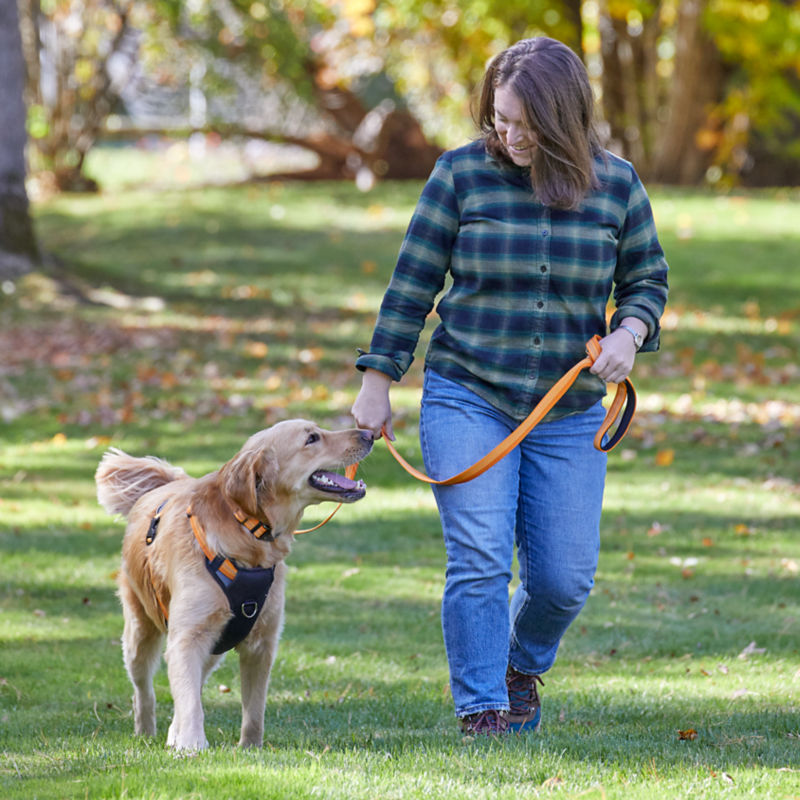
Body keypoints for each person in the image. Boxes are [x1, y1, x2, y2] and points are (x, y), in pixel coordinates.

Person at [351, 37, 668, 736]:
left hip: (568, 411)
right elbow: (412, 284)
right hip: (468, 392)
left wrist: (629, 333)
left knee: (563, 580)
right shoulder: (461, 175)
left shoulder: (616, 185)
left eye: (528, 124)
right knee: (480, 558)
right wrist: (378, 380)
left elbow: (647, 278)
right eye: (501, 119)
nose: (512, 136)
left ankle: (518, 664)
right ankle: (483, 710)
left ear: (565, 119)